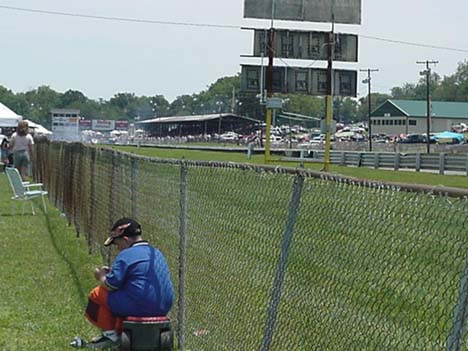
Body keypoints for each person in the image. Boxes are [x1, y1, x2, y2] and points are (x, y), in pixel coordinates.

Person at [74, 218, 174, 349]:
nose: (117, 248)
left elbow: (110, 285)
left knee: (98, 293)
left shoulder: (126, 254)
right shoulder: (156, 253)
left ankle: (111, 336)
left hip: (137, 306)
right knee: (123, 295)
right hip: (163, 306)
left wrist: (101, 276)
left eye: (117, 243)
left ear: (126, 239)